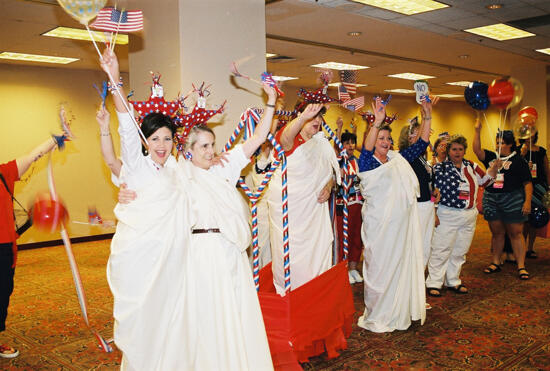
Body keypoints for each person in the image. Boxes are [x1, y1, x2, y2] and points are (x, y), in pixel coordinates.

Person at [102, 48, 277, 370]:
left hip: (229, 253)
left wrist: (270, 102)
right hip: (194, 256)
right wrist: (126, 193)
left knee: (233, 315)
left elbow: (258, 138)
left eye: (214, 145)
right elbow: (130, 139)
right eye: (205, 146)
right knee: (199, 322)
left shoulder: (224, 168)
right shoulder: (178, 170)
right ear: (189, 150)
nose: (212, 151)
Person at [357, 96, 433, 333]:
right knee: (379, 271)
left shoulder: (398, 160)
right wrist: (377, 122)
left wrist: (427, 115)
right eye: (381, 137)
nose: (386, 141)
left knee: (399, 268)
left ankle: (398, 310)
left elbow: (422, 143)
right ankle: (379, 312)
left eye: (388, 138)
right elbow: (367, 149)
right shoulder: (367, 163)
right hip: (379, 229)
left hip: (400, 230)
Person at [0, 135, 64, 358]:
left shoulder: (4, 172)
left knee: (2, 294)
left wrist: (55, 139)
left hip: (4, 249)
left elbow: (32, 156)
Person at [267, 103, 340, 295]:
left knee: (318, 257)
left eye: (319, 117)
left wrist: (329, 185)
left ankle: (316, 299)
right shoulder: (291, 137)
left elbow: (330, 173)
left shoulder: (321, 142)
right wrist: (301, 119)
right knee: (292, 260)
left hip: (315, 215)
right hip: (292, 213)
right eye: (312, 116)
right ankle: (293, 296)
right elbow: (284, 141)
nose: (317, 120)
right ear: (300, 115)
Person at [426, 135, 497, 297]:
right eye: (454, 149)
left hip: (469, 215)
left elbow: (485, 181)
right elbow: (433, 192)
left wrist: (494, 169)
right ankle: (434, 282)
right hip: (447, 214)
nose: (457, 152)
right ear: (448, 151)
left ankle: (453, 280)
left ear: (464, 151)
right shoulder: (440, 168)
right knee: (441, 248)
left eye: (460, 149)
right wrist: (434, 213)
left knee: (460, 249)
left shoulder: (472, 166)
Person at [473, 117, 532, 280]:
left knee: (516, 232)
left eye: (502, 143)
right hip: (492, 198)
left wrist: (527, 201)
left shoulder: (519, 160)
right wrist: (477, 131)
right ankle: (495, 261)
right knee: (497, 232)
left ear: (510, 144)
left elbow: (527, 183)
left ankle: (521, 266)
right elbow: (477, 150)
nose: (499, 145)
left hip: (512, 198)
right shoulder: (492, 156)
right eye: (497, 142)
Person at [398, 117, 439, 268]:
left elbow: (426, 179)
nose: (424, 134)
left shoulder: (421, 157)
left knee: (426, 244)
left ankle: (419, 278)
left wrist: (434, 190)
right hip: (416, 206)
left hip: (427, 203)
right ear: (408, 137)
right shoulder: (405, 156)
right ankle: (412, 279)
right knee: (416, 245)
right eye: (419, 132)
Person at [334, 117, 364, 284]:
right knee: (343, 238)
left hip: (357, 204)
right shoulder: (339, 161)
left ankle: (353, 268)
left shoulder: (357, 161)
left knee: (356, 237)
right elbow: (337, 149)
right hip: (342, 205)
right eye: (347, 143)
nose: (351, 146)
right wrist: (339, 128)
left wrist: (356, 129)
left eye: (353, 143)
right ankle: (342, 268)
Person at [519, 131, 550, 259]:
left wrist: (548, 187)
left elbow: (547, 170)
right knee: (524, 219)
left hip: (539, 187)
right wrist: (522, 154)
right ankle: (520, 247)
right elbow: (515, 168)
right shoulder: (518, 150)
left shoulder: (541, 151)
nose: (529, 136)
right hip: (523, 187)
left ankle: (530, 248)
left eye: (531, 133)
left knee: (534, 219)